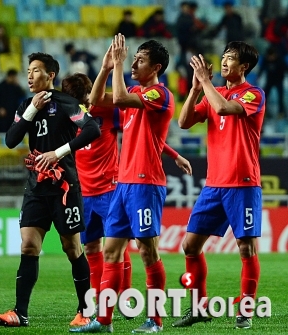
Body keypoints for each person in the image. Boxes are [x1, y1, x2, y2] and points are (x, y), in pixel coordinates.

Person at [63, 72, 192, 325]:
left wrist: (173, 154)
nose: (83, 104)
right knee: (95, 248)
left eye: (84, 98)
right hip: (84, 192)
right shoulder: (68, 117)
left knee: (134, 250)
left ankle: (128, 299)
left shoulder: (109, 112)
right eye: (77, 100)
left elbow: (143, 132)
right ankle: (100, 311)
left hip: (112, 188)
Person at [0, 52, 100, 329]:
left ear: (50, 75)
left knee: (72, 247)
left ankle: (85, 311)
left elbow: (92, 129)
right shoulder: (25, 105)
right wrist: (30, 111)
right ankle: (20, 313)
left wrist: (58, 152)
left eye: (36, 70)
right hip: (36, 187)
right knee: (28, 246)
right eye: (28, 70)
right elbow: (11, 140)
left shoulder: (67, 103)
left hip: (65, 188)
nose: (29, 75)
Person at [173, 41, 264, 330]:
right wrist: (196, 89)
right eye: (223, 58)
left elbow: (224, 109)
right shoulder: (215, 93)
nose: (224, 63)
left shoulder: (253, 94)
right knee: (189, 245)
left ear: (244, 66)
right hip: (214, 185)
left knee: (246, 248)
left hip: (243, 183)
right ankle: (199, 307)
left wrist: (205, 84)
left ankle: (245, 310)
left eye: (231, 59)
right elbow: (184, 121)